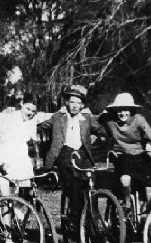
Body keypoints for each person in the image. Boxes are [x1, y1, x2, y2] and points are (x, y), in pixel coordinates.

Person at [0, 93, 52, 243]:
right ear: (21, 105)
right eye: (27, 108)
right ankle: (7, 238)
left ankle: (15, 225)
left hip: (21, 160)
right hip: (3, 158)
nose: (30, 112)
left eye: (33, 110)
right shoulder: (7, 116)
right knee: (4, 197)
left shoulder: (34, 119)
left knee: (26, 193)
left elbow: (50, 115)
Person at [38, 85, 106, 230]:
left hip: (82, 154)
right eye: (72, 102)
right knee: (74, 183)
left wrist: (103, 137)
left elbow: (101, 130)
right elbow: (41, 126)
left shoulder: (87, 118)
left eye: (78, 103)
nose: (75, 106)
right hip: (64, 153)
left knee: (89, 187)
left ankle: (90, 227)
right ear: (67, 103)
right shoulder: (58, 117)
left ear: (82, 105)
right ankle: (74, 219)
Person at [98, 93, 151, 209]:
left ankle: (148, 214)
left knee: (149, 186)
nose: (122, 113)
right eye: (119, 110)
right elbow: (96, 119)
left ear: (131, 110)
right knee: (125, 180)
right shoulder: (110, 121)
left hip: (140, 155)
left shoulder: (139, 119)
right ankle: (127, 202)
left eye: (126, 110)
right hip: (121, 155)